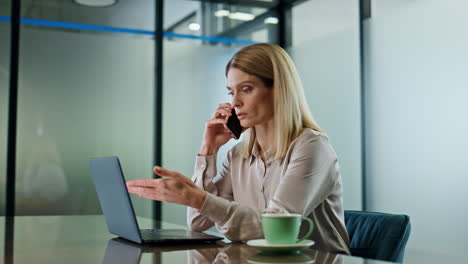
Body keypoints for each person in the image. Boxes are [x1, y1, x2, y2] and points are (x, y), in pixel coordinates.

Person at [126, 43, 350, 254]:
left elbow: (274, 231)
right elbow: (199, 223)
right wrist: (208, 150)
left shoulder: (312, 147)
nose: (235, 103)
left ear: (279, 90)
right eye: (231, 92)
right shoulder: (237, 154)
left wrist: (197, 198)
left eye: (246, 89)